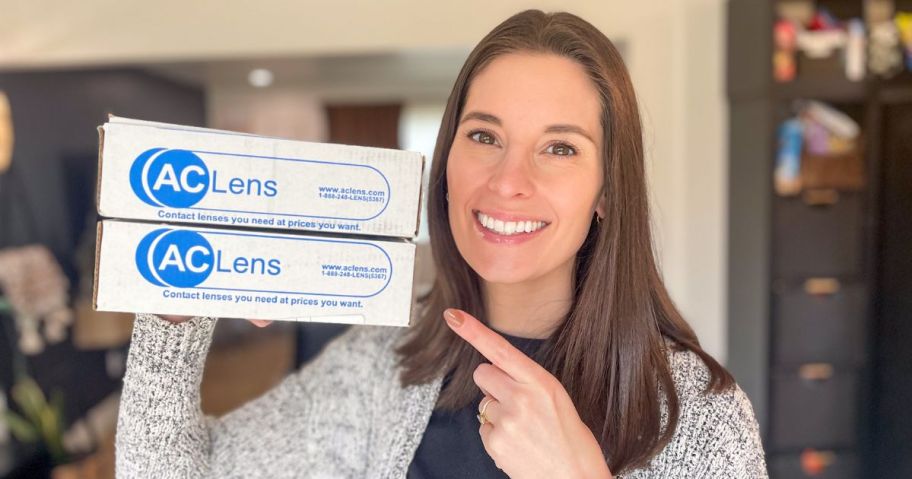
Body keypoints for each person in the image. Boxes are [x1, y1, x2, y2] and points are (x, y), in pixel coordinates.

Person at [116, 9, 767, 479]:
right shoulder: (378, 372)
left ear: (606, 191)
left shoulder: (698, 418)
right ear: (447, 161)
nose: (508, 181)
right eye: (484, 136)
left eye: (560, 147)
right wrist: (176, 303)